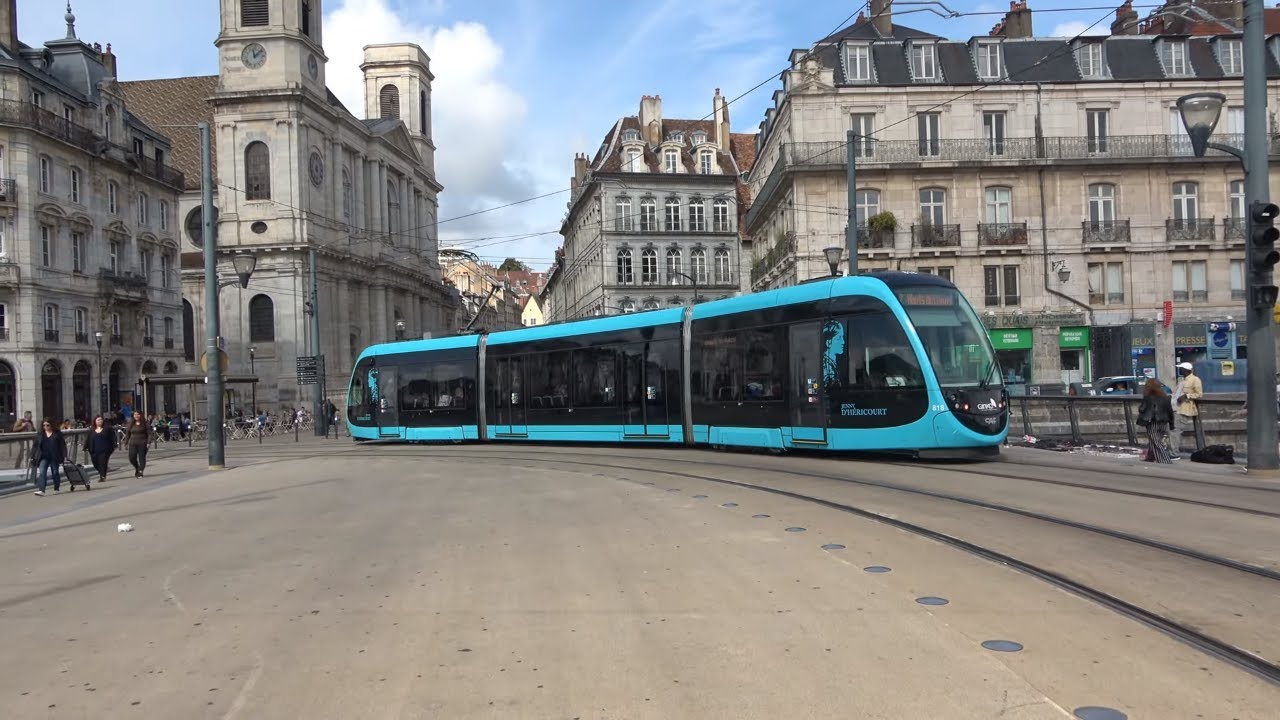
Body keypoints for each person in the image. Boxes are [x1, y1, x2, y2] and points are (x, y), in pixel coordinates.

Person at [1137, 378, 1175, 463]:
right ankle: (1150, 457)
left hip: (1152, 422)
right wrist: (1172, 424)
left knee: (1156, 441)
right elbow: (1170, 411)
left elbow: (1142, 409)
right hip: (1164, 422)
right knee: (1155, 440)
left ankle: (1165, 460)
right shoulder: (1165, 397)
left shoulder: (1148, 397)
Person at [1170, 361, 1203, 457]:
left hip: (1183, 408)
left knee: (1175, 431)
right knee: (1173, 431)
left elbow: (1199, 394)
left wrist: (1187, 396)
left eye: (1181, 368)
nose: (1179, 369)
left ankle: (1174, 453)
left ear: (1185, 370)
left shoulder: (1195, 380)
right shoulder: (1182, 381)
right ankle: (1173, 452)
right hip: (1175, 408)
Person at [31, 418, 67, 496]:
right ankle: (41, 490)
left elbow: (62, 445)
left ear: (52, 425)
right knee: (42, 472)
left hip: (54, 456)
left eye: (48, 425)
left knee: (55, 472)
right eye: (44, 425)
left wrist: (64, 456)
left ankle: (56, 488)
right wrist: (32, 456)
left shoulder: (57, 434)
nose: (46, 427)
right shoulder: (40, 434)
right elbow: (35, 446)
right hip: (43, 456)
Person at [87, 415, 116, 484]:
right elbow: (88, 439)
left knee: (103, 463)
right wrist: (86, 447)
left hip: (105, 449)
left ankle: (102, 476)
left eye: (101, 420)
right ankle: (101, 472)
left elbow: (113, 437)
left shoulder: (107, 428)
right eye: (98, 420)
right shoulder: (92, 430)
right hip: (95, 450)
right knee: (95, 464)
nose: (100, 421)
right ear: (95, 421)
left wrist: (114, 445)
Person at [124, 414, 153, 478]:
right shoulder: (131, 423)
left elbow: (149, 433)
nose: (136, 416)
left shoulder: (145, 423)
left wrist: (148, 442)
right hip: (132, 443)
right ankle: (137, 467)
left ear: (141, 415)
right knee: (132, 457)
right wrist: (126, 443)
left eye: (138, 414)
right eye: (135, 415)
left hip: (143, 443)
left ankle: (140, 472)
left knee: (141, 458)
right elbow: (128, 433)